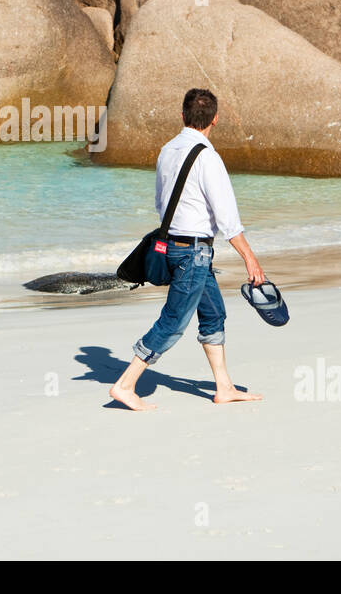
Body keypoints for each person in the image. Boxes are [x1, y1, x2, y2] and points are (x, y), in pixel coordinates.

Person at [109, 88, 265, 411]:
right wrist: (250, 258)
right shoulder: (208, 157)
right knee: (173, 321)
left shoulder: (167, 150)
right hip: (194, 253)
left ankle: (223, 387)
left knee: (213, 314)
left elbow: (159, 203)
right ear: (215, 120)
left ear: (183, 115)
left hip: (174, 249)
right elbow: (228, 220)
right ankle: (125, 384)